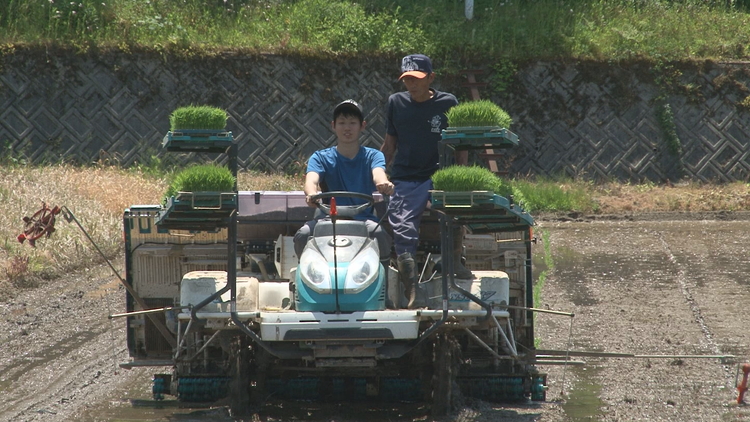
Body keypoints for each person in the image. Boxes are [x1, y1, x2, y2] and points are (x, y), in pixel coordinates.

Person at [380, 54, 473, 309]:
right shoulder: (396, 103)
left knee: (453, 211)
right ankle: (413, 291)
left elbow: (460, 143)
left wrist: (459, 176)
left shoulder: (447, 102)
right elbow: (390, 144)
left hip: (438, 176)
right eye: (407, 79)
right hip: (406, 178)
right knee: (402, 227)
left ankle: (454, 263)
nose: (412, 84)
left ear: (431, 78)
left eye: (417, 79)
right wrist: (378, 171)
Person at [293, 99, 394, 269]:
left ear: (362, 126)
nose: (347, 128)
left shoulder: (374, 156)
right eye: (342, 123)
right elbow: (311, 181)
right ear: (333, 126)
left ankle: (383, 281)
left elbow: (379, 174)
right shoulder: (320, 157)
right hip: (328, 218)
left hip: (363, 219)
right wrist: (311, 194)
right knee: (303, 234)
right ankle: (308, 274)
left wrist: (384, 184)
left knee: (379, 234)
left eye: (352, 123)